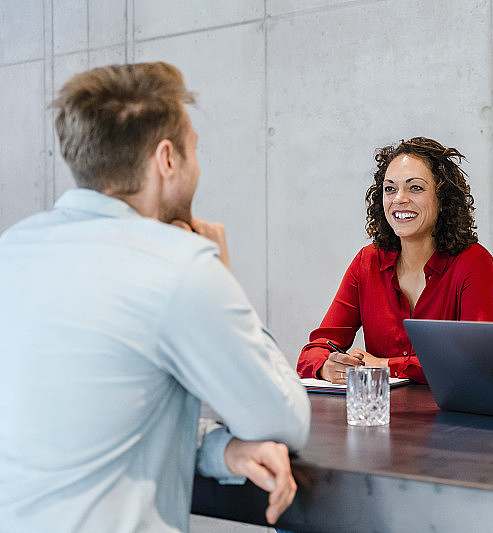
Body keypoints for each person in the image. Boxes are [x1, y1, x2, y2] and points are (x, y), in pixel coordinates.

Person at [0, 62, 310, 532]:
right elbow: (284, 420)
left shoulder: (13, 249)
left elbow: (86, 428)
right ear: (167, 159)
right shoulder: (179, 266)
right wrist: (224, 276)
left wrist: (214, 450)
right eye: (194, 151)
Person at [296, 137, 493, 384]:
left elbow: (474, 360)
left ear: (442, 200)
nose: (399, 198)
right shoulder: (367, 261)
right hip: (380, 414)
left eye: (415, 188)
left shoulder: (473, 262)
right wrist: (326, 366)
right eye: (390, 188)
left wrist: (384, 365)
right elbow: (315, 348)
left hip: (449, 416)